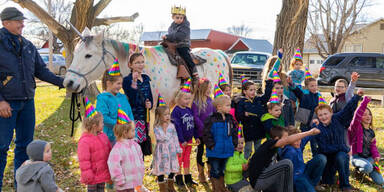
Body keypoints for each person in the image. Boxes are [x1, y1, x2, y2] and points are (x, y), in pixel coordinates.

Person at [0, 7, 64, 189]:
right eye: (18, 21)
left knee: (25, 147)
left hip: (27, 102)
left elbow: (41, 71)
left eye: (22, 20)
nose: (22, 24)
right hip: (6, 104)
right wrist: (0, 101)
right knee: (1, 147)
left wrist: (62, 82)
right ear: (5, 23)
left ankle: (21, 187)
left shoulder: (28, 45)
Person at [312, 90, 364, 191]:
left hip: (340, 154)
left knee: (341, 156)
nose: (323, 117)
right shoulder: (318, 128)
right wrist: (343, 147)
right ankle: (326, 179)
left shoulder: (337, 118)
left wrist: (357, 96)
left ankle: (345, 185)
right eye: (320, 115)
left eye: (325, 114)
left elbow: (348, 109)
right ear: (317, 117)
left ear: (331, 112)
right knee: (328, 181)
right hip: (327, 156)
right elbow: (324, 148)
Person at [248, 126, 320, 192]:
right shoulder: (269, 143)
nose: (287, 140)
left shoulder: (274, 150)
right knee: (287, 163)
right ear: (277, 139)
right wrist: (310, 132)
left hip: (267, 178)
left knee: (284, 168)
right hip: (259, 180)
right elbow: (287, 141)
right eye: (286, 138)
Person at [203, 94, 238, 192]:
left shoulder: (229, 118)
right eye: (227, 105)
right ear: (219, 107)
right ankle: (217, 188)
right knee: (215, 170)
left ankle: (222, 188)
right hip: (215, 151)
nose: (230, 108)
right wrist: (211, 145)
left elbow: (234, 132)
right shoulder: (211, 119)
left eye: (230, 105)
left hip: (227, 149)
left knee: (222, 169)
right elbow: (206, 134)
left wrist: (234, 143)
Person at [349, 96, 384, 187]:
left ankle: (367, 167)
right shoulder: (355, 128)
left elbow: (373, 146)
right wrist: (365, 102)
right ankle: (358, 171)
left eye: (369, 114)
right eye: (364, 114)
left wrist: (376, 155)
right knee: (368, 167)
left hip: (368, 158)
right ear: (360, 117)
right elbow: (356, 116)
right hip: (357, 157)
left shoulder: (371, 132)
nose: (368, 116)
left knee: (380, 181)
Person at [123, 53, 153, 156]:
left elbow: (150, 97)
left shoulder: (146, 79)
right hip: (134, 119)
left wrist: (150, 104)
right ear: (130, 65)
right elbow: (132, 99)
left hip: (145, 119)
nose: (140, 65)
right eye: (137, 62)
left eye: (142, 62)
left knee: (142, 149)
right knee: (134, 147)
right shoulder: (127, 80)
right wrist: (134, 82)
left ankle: (141, 169)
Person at [78, 100, 112, 192]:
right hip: (92, 176)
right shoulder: (84, 141)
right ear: (94, 125)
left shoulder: (103, 136)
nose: (103, 124)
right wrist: (87, 175)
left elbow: (109, 151)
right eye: (102, 122)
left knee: (101, 190)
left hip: (102, 173)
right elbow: (84, 160)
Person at [235, 77, 273, 159]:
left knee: (258, 148)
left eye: (254, 90)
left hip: (259, 128)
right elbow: (238, 115)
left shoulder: (258, 100)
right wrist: (244, 115)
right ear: (245, 91)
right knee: (248, 149)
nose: (253, 92)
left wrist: (269, 83)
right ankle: (245, 164)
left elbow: (266, 96)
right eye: (251, 90)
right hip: (248, 130)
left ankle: (256, 164)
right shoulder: (241, 102)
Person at [108, 108, 145, 192]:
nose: (134, 132)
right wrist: (119, 180)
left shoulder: (136, 146)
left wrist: (141, 172)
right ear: (125, 132)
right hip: (123, 184)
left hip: (133, 182)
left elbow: (140, 160)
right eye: (132, 130)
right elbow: (114, 165)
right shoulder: (117, 149)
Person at [96, 62, 134, 144]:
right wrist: (119, 125)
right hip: (111, 138)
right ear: (109, 83)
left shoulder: (123, 97)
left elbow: (129, 113)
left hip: (126, 136)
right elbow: (103, 117)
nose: (120, 86)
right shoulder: (102, 98)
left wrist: (132, 128)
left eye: (121, 83)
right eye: (118, 83)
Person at [171, 79, 198, 186]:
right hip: (180, 141)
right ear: (178, 98)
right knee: (179, 159)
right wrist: (181, 140)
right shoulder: (176, 111)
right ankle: (178, 178)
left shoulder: (188, 109)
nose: (187, 101)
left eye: (189, 99)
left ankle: (187, 177)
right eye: (185, 98)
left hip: (189, 140)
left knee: (187, 158)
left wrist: (196, 137)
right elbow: (177, 128)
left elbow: (193, 125)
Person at [152, 103, 182, 192]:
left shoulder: (172, 126)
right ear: (159, 116)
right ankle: (162, 188)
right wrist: (164, 129)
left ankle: (170, 185)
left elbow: (175, 138)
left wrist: (178, 149)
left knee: (173, 168)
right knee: (160, 170)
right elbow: (159, 138)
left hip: (171, 150)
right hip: (161, 151)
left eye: (168, 114)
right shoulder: (156, 127)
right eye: (165, 114)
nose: (168, 116)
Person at [162, 6, 198, 79]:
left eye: (181, 18)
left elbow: (180, 36)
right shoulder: (171, 27)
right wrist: (166, 39)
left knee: (184, 54)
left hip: (183, 44)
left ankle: (193, 69)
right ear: (173, 17)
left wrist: (168, 37)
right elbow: (172, 35)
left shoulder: (185, 26)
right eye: (177, 17)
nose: (179, 19)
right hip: (174, 45)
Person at [288, 76, 320, 156]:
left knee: (314, 143)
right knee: (301, 142)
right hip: (304, 123)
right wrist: (291, 83)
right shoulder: (304, 95)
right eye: (312, 86)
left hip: (313, 123)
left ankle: (315, 158)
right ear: (306, 87)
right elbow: (297, 91)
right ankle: (298, 156)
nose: (314, 87)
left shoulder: (317, 96)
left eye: (315, 85)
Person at [192, 78, 214, 183]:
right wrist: (203, 128)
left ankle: (210, 172)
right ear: (202, 88)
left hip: (210, 133)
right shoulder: (196, 102)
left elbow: (213, 115)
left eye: (210, 88)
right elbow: (195, 117)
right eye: (208, 88)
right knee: (200, 152)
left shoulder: (210, 100)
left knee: (210, 151)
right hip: (200, 133)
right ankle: (201, 174)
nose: (210, 90)